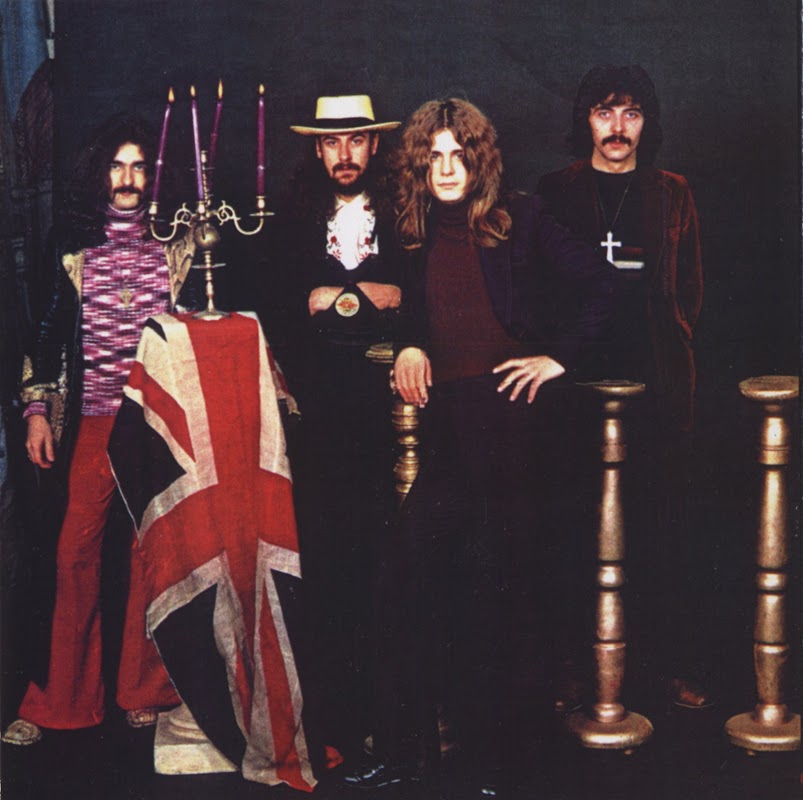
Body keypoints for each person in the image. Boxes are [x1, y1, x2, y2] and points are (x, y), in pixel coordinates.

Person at [344, 98, 614, 799]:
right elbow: (415, 310)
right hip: (453, 434)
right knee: (399, 577)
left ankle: (503, 768)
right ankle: (403, 753)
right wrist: (409, 342)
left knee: (502, 596)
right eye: (432, 157)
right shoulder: (411, 235)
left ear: (478, 161)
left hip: (516, 429)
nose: (445, 169)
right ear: (417, 166)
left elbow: (602, 285)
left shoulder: (521, 219)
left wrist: (557, 357)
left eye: (457, 156)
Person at [2, 113, 193, 746]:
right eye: (118, 166)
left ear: (154, 175)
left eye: (139, 166)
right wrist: (36, 412)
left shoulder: (178, 244)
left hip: (154, 420)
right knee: (72, 553)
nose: (128, 178)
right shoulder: (73, 244)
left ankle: (144, 692)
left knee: (150, 553)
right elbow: (46, 333)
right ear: (100, 173)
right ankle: (61, 699)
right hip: (92, 417)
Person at [537, 64, 706, 707]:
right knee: (571, 527)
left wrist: (672, 354)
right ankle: (573, 669)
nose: (617, 127)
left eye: (631, 113)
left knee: (659, 528)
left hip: (654, 380)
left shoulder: (672, 192)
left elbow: (688, 291)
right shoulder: (556, 190)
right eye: (604, 112)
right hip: (574, 381)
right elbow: (542, 288)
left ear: (646, 123)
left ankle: (662, 670)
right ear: (585, 119)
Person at [271, 94, 403, 763]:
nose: (344, 155)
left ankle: (390, 720)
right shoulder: (292, 219)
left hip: (392, 410)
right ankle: (333, 724)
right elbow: (281, 307)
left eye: (356, 141)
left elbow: (412, 296)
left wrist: (336, 301)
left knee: (389, 559)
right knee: (324, 561)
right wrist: (363, 299)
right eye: (331, 143)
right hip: (320, 415)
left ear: (374, 145)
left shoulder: (405, 212)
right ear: (316, 150)